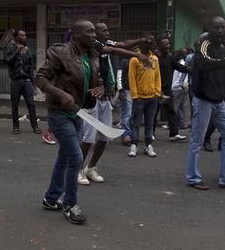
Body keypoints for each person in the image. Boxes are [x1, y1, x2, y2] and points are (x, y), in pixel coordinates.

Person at [36, 20, 104, 225]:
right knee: (76, 158)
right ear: (75, 35)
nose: (94, 35)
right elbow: (40, 78)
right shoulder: (60, 53)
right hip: (59, 113)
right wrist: (60, 93)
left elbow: (95, 79)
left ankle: (50, 199)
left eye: (94, 32)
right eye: (89, 32)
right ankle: (69, 204)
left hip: (78, 113)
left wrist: (100, 87)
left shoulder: (92, 55)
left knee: (64, 158)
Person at [78, 24, 153, 185]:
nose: (107, 32)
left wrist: (140, 39)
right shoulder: (94, 45)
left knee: (105, 136)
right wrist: (137, 55)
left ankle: (91, 168)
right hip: (91, 95)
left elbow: (120, 45)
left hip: (104, 95)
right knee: (88, 138)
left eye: (107, 29)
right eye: (103, 30)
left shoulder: (105, 43)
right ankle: (78, 169)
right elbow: (114, 50)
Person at [186, 17, 225, 190]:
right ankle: (193, 178)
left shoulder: (222, 47)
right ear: (210, 29)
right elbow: (205, 64)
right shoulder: (203, 45)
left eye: (222, 27)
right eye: (216, 27)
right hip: (204, 100)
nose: (220, 31)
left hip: (219, 102)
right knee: (197, 141)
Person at [128, 38, 161, 157]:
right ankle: (134, 145)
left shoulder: (155, 59)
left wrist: (157, 93)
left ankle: (148, 146)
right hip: (139, 98)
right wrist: (135, 96)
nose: (152, 44)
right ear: (142, 45)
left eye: (153, 42)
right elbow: (132, 79)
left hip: (153, 97)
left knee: (150, 123)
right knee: (135, 123)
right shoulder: (135, 59)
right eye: (149, 43)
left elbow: (157, 77)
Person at [5, 30, 41, 134]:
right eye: (22, 35)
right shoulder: (10, 48)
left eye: (25, 35)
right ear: (17, 37)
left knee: (31, 104)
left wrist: (32, 80)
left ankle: (35, 127)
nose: (25, 37)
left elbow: (30, 66)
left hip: (26, 81)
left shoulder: (27, 49)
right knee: (15, 105)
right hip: (15, 81)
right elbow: (8, 61)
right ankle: (16, 127)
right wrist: (17, 51)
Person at [155, 37, 189, 142]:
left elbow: (178, 67)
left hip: (168, 90)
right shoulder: (155, 57)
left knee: (171, 111)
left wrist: (190, 69)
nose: (168, 46)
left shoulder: (170, 57)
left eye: (169, 43)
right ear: (160, 46)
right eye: (165, 44)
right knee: (153, 112)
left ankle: (174, 134)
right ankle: (150, 134)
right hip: (156, 89)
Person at [171, 48, 190, 129]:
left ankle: (173, 125)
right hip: (183, 87)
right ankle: (183, 124)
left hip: (177, 88)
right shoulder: (183, 63)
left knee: (174, 107)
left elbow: (181, 76)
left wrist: (180, 84)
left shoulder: (180, 63)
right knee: (183, 107)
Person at [117, 57, 132, 145]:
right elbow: (119, 75)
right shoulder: (125, 61)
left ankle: (132, 134)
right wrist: (121, 89)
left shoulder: (137, 60)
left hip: (135, 91)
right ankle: (126, 134)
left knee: (132, 114)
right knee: (127, 113)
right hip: (127, 90)